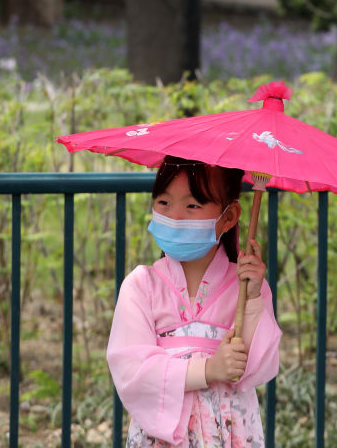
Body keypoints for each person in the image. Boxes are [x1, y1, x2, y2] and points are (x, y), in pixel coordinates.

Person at [107, 156, 281, 448]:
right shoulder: (141, 286)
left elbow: (258, 367)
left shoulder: (246, 287)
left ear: (228, 216)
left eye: (191, 206)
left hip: (229, 431)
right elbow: (131, 370)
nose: (174, 216)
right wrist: (209, 370)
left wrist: (252, 300)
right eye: (164, 203)